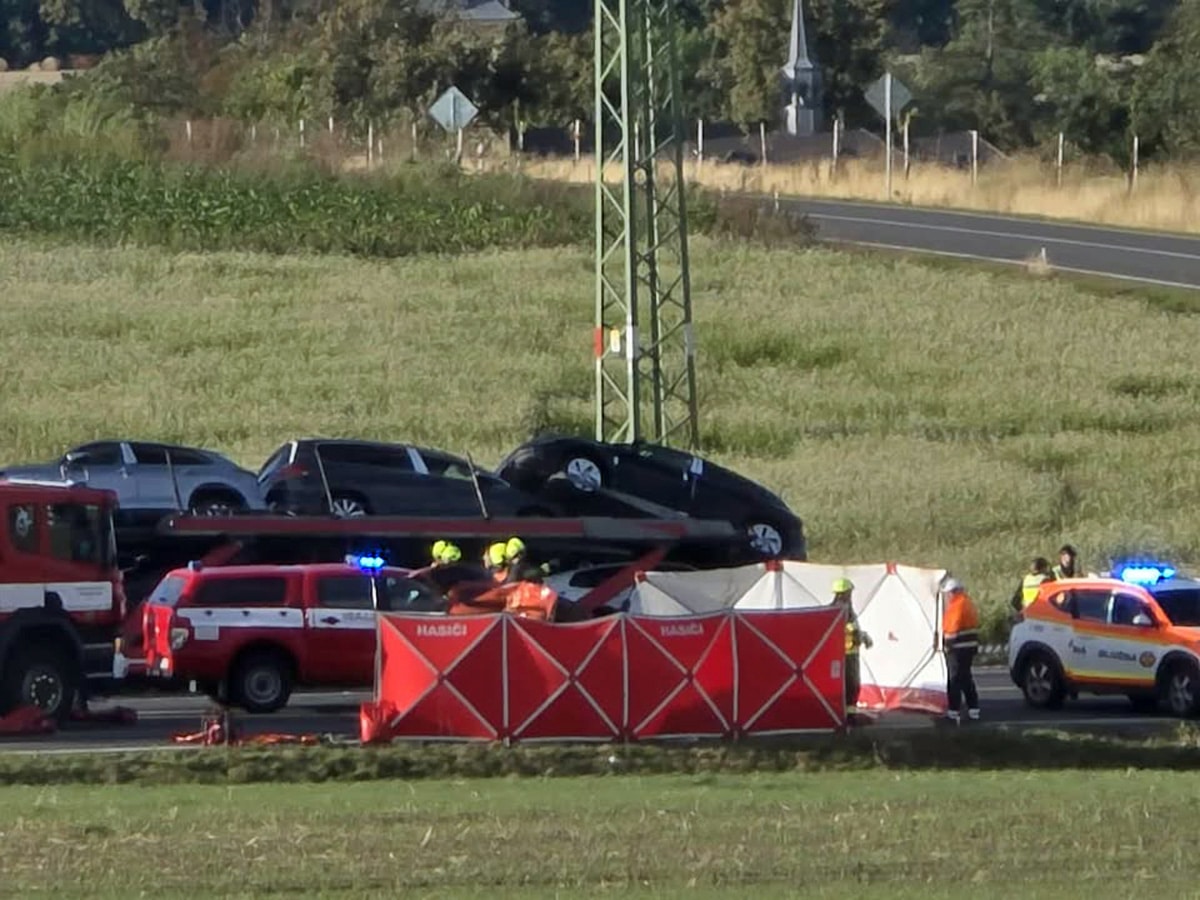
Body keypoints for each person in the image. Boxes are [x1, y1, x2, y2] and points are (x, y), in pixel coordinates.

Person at [942, 576, 981, 724]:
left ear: (954, 592)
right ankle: (974, 710)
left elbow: (952, 628)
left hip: (958, 648)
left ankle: (953, 712)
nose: (947, 596)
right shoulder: (967, 603)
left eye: (948, 593)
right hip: (969, 646)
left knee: (954, 680)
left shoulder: (957, 605)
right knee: (965, 677)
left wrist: (946, 645)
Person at [832, 577, 872, 715]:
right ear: (845, 593)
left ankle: (847, 713)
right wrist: (862, 637)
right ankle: (849, 715)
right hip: (848, 654)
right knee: (851, 685)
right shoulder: (843, 610)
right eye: (849, 592)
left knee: (848, 685)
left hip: (846, 652)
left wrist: (864, 636)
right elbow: (850, 630)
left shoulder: (837, 608)